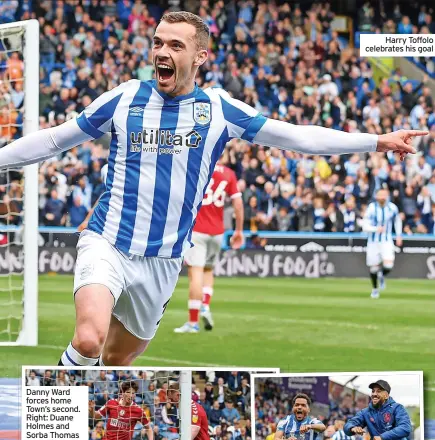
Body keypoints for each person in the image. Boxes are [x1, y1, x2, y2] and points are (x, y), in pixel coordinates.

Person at [0, 12, 425, 367]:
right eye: (157, 42)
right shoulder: (125, 98)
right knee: (89, 338)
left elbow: (298, 137)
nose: (162, 53)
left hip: (164, 260)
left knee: (115, 361)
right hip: (107, 240)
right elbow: (56, 139)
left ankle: (90, 424)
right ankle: (56, 436)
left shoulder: (219, 109)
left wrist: (376, 140)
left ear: (201, 56)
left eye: (176, 46)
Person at [174, 159, 244, 333]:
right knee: (208, 270)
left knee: (195, 272)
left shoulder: (196, 166)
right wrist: (239, 231)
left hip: (198, 230)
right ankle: (205, 304)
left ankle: (192, 322)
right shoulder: (229, 173)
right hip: (218, 232)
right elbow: (238, 204)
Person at [362, 187, 403, 299]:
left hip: (387, 240)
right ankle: (375, 289)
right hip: (373, 242)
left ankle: (381, 275)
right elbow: (364, 225)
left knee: (388, 265)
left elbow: (397, 221)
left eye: (384, 195)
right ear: (376, 196)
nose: (382, 197)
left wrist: (399, 235)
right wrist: (375, 229)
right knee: (373, 268)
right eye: (380, 195)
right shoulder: (371, 208)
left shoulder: (392, 208)